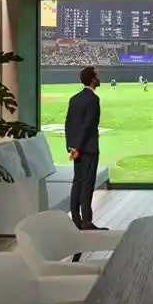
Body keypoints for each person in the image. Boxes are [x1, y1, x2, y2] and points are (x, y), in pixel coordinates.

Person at [64, 66, 108, 231]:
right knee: (87, 185)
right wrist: (79, 147)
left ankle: (76, 219)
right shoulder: (93, 99)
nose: (99, 77)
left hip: (77, 150)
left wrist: (71, 147)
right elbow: (88, 126)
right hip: (88, 150)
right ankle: (87, 222)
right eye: (97, 75)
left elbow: (68, 124)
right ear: (92, 79)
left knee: (77, 182)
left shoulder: (74, 99)